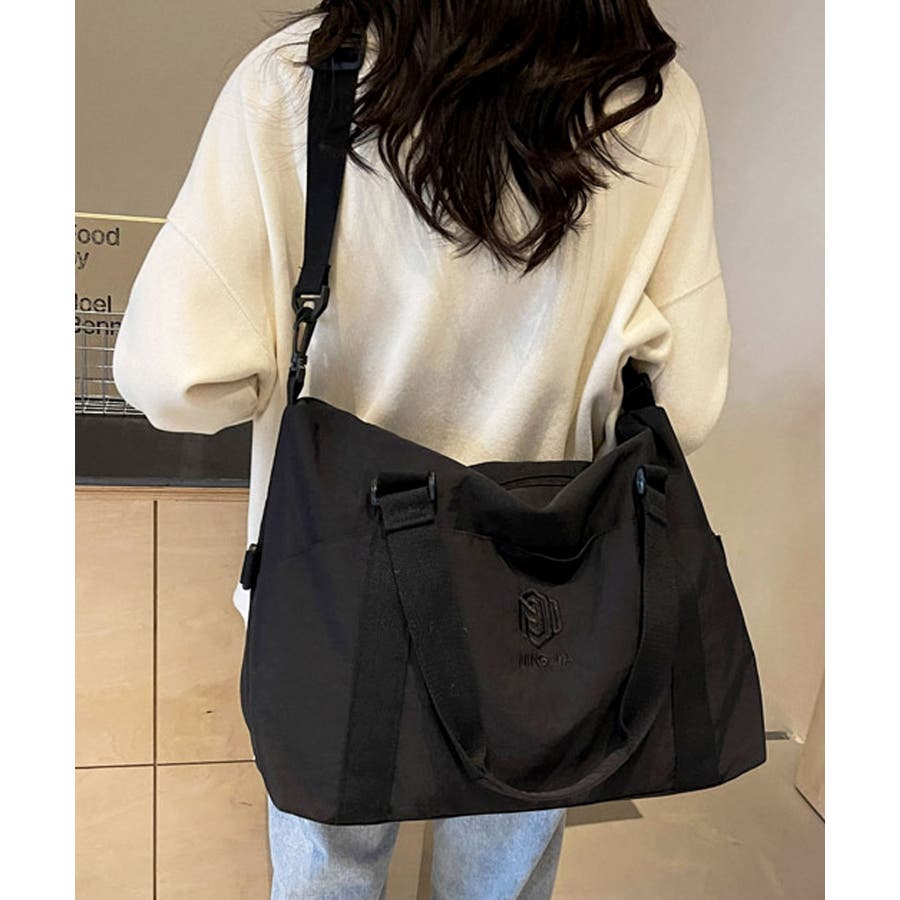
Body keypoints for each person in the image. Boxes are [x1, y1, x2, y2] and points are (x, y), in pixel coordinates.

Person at [112, 2, 732, 897]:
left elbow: (173, 376)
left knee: (330, 856)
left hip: (335, 583)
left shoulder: (301, 78)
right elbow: (691, 403)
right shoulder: (652, 100)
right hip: (548, 592)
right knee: (506, 853)